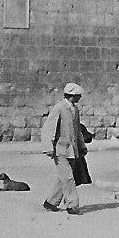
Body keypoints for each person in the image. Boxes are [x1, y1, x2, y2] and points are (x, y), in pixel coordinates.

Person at [40, 82, 87, 215]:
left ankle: (50, 202)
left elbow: (77, 131)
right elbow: (48, 128)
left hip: (72, 150)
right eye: (78, 95)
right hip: (60, 150)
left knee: (64, 178)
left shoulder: (75, 110)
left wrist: (81, 145)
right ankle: (72, 205)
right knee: (68, 178)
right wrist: (48, 147)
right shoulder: (59, 108)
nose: (80, 98)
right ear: (72, 95)